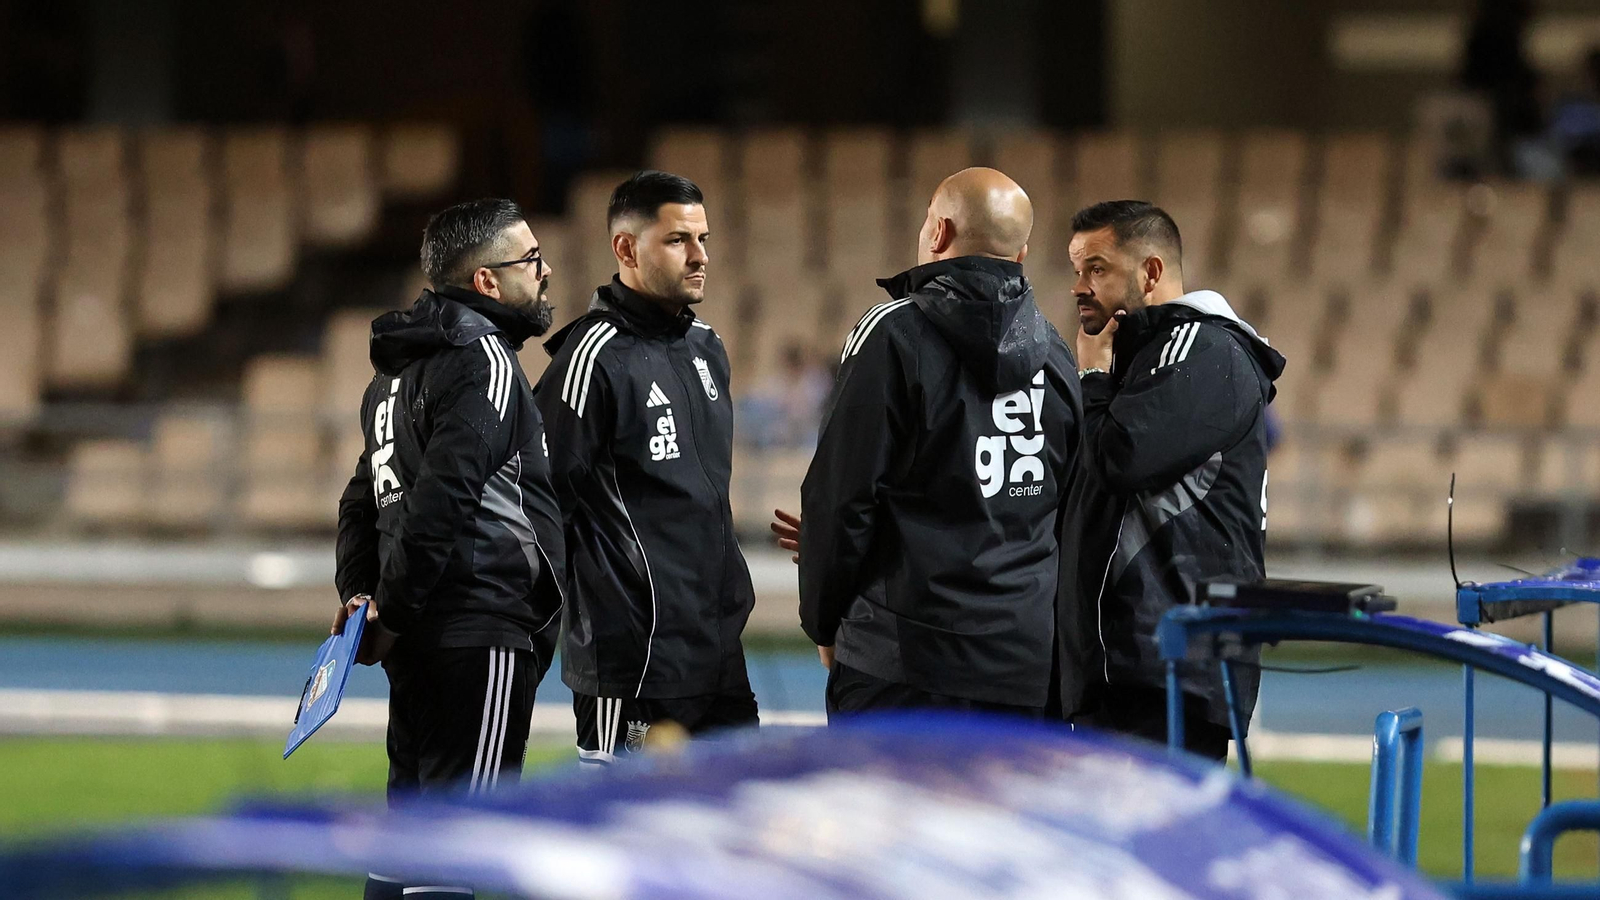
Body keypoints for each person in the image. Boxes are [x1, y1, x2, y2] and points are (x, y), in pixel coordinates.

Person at [334, 198, 566, 899]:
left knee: (407, 839)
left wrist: (364, 601)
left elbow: (358, 502)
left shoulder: (391, 378)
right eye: (530, 258)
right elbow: (443, 501)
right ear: (488, 283)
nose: (546, 269)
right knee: (458, 852)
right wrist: (392, 611)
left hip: (418, 639)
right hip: (480, 628)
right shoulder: (484, 362)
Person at [788, 167, 1082, 717]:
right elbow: (1068, 508)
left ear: (939, 233)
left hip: (901, 660)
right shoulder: (1057, 353)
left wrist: (822, 621)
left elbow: (842, 498)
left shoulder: (892, 333)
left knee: (888, 808)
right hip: (1023, 666)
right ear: (1020, 255)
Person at [535, 170, 757, 764]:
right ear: (626, 248)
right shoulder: (588, 359)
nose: (700, 256)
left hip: (716, 655)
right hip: (632, 664)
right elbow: (539, 504)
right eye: (678, 240)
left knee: (733, 834)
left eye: (703, 238)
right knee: (630, 846)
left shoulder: (707, 346)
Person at [1063, 200, 1285, 761]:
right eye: (1075, 270)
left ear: (1152, 272)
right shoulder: (1144, 360)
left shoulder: (1206, 349)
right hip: (1126, 670)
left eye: (1097, 268)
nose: (1078, 287)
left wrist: (1090, 376)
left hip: (1170, 671)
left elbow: (1120, 459)